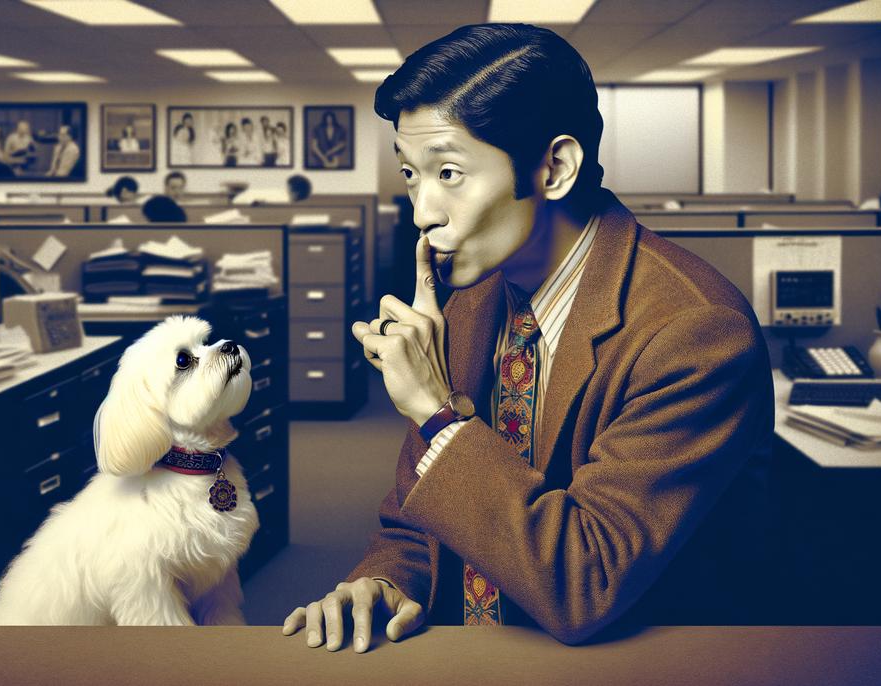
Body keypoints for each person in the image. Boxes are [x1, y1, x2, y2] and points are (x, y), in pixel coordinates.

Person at [282, 23, 774, 651]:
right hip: (479, 659)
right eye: (411, 174)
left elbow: (585, 581)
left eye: (450, 173)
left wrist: (437, 416)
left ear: (555, 168)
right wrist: (383, 581)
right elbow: (415, 521)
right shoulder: (469, 304)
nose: (422, 212)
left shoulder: (694, 334)